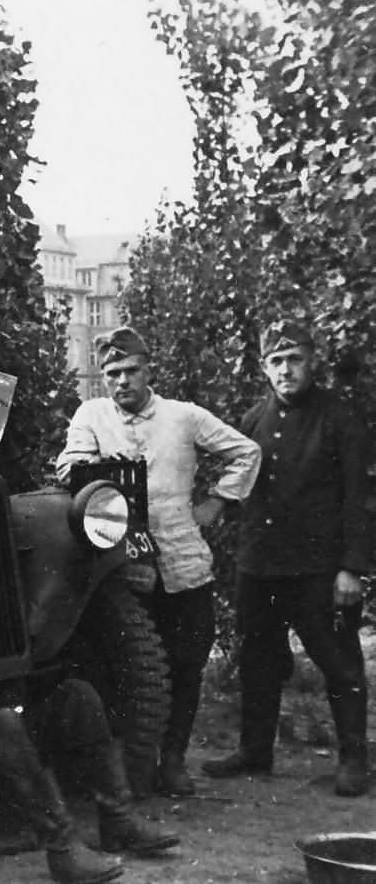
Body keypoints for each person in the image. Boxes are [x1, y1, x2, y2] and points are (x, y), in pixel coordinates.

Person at [57, 327, 260, 795]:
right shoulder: (91, 414)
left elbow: (246, 453)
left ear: (149, 370)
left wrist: (218, 502)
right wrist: (95, 464)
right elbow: (68, 465)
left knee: (187, 667)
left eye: (131, 371)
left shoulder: (183, 417)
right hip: (124, 568)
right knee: (132, 666)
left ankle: (173, 761)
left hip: (184, 564)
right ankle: (135, 763)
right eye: (112, 373)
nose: (122, 381)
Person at [202, 321, 370, 796]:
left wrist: (352, 568)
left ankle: (354, 758)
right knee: (259, 660)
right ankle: (256, 751)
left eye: (294, 359)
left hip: (319, 571)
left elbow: (360, 498)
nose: (286, 369)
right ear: (263, 368)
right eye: (276, 361)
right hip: (259, 568)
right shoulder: (252, 422)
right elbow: (236, 489)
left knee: (340, 664)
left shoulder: (341, 419)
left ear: (311, 360)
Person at [0, 678, 181, 883]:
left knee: (78, 693)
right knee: (3, 722)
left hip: (8, 724)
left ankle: (119, 819)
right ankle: (62, 847)